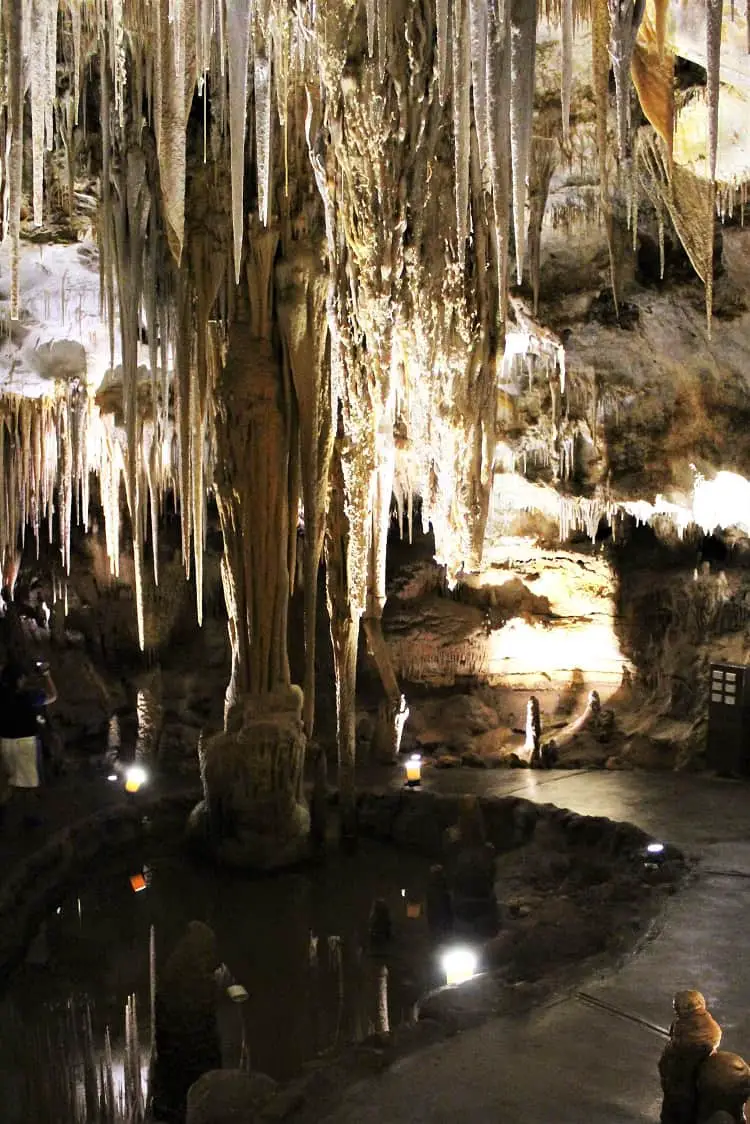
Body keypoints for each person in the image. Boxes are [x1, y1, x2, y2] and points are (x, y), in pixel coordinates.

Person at [0, 660, 58, 827]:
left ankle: (2, 814)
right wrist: (46, 674)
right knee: (29, 783)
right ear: (19, 679)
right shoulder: (28, 697)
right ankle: (30, 818)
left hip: (4, 742)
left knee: (8, 780)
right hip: (25, 743)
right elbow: (52, 695)